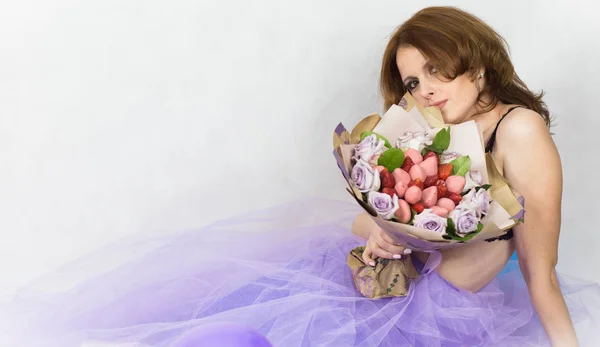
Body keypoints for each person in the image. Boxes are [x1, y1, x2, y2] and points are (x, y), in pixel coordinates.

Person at [1, 5, 600, 347]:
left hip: (438, 310)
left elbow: (539, 272)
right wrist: (384, 232)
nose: (425, 90)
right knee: (237, 323)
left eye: (438, 69)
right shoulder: (428, 127)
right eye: (413, 81)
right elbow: (394, 211)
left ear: (478, 61)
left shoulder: (517, 130)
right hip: (388, 280)